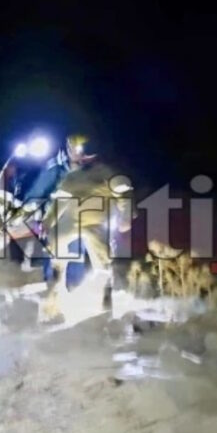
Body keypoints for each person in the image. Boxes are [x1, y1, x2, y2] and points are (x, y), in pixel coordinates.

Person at [35, 134, 134, 323]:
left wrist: (126, 217)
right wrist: (47, 222)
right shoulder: (72, 177)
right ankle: (56, 287)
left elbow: (124, 194)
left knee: (103, 260)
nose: (79, 156)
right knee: (57, 239)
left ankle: (106, 300)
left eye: (79, 151)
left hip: (96, 222)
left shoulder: (107, 173)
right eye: (75, 151)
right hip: (73, 220)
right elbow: (60, 201)